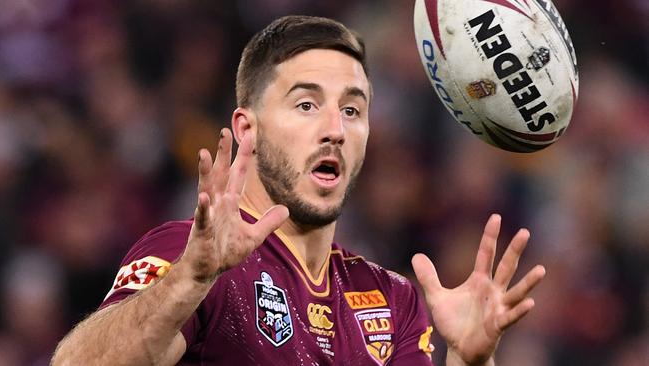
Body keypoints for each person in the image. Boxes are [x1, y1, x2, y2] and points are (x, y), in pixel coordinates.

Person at [51, 15, 545, 366]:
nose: (335, 128)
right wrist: (191, 278)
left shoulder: (390, 300)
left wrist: (467, 359)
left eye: (352, 110)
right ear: (248, 130)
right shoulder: (193, 257)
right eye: (306, 105)